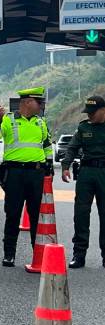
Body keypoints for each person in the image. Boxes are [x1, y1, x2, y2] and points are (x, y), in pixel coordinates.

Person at [0, 88, 53, 267]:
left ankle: (37, 254)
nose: (41, 105)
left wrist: (49, 169)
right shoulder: (8, 120)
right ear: (26, 102)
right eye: (37, 102)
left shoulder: (41, 123)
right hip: (15, 173)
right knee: (13, 214)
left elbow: (47, 146)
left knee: (35, 216)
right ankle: (9, 254)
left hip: (36, 174)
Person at [62, 95, 105, 268]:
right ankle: (79, 254)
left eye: (93, 113)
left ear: (103, 110)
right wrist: (65, 165)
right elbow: (72, 147)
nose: (90, 115)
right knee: (80, 214)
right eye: (88, 112)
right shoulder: (83, 127)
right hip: (86, 173)